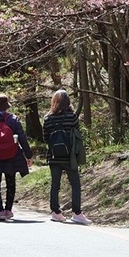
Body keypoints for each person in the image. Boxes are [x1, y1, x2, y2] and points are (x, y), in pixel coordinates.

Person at [0, 94, 33, 222]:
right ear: (7, 105)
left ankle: (0, 211)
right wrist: (28, 155)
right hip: (12, 156)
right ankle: (8, 209)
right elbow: (22, 138)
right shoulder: (14, 120)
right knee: (10, 182)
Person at [42, 89, 90, 225]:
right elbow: (77, 133)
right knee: (75, 184)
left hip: (53, 156)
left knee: (55, 184)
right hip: (70, 156)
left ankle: (55, 212)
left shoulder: (47, 118)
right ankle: (77, 213)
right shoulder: (72, 117)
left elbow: (45, 138)